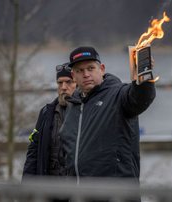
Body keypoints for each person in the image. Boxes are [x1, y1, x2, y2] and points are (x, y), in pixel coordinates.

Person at [59, 46, 156, 182]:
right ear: (73, 76)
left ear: (102, 69)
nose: (86, 74)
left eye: (90, 68)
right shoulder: (73, 104)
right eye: (80, 71)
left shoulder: (119, 95)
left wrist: (143, 77)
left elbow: (141, 98)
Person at [23, 62, 76, 176]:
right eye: (60, 83)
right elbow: (33, 151)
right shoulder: (46, 113)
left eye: (68, 82)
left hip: (77, 188)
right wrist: (27, 185)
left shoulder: (87, 110)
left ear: (78, 83)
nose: (63, 87)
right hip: (50, 187)